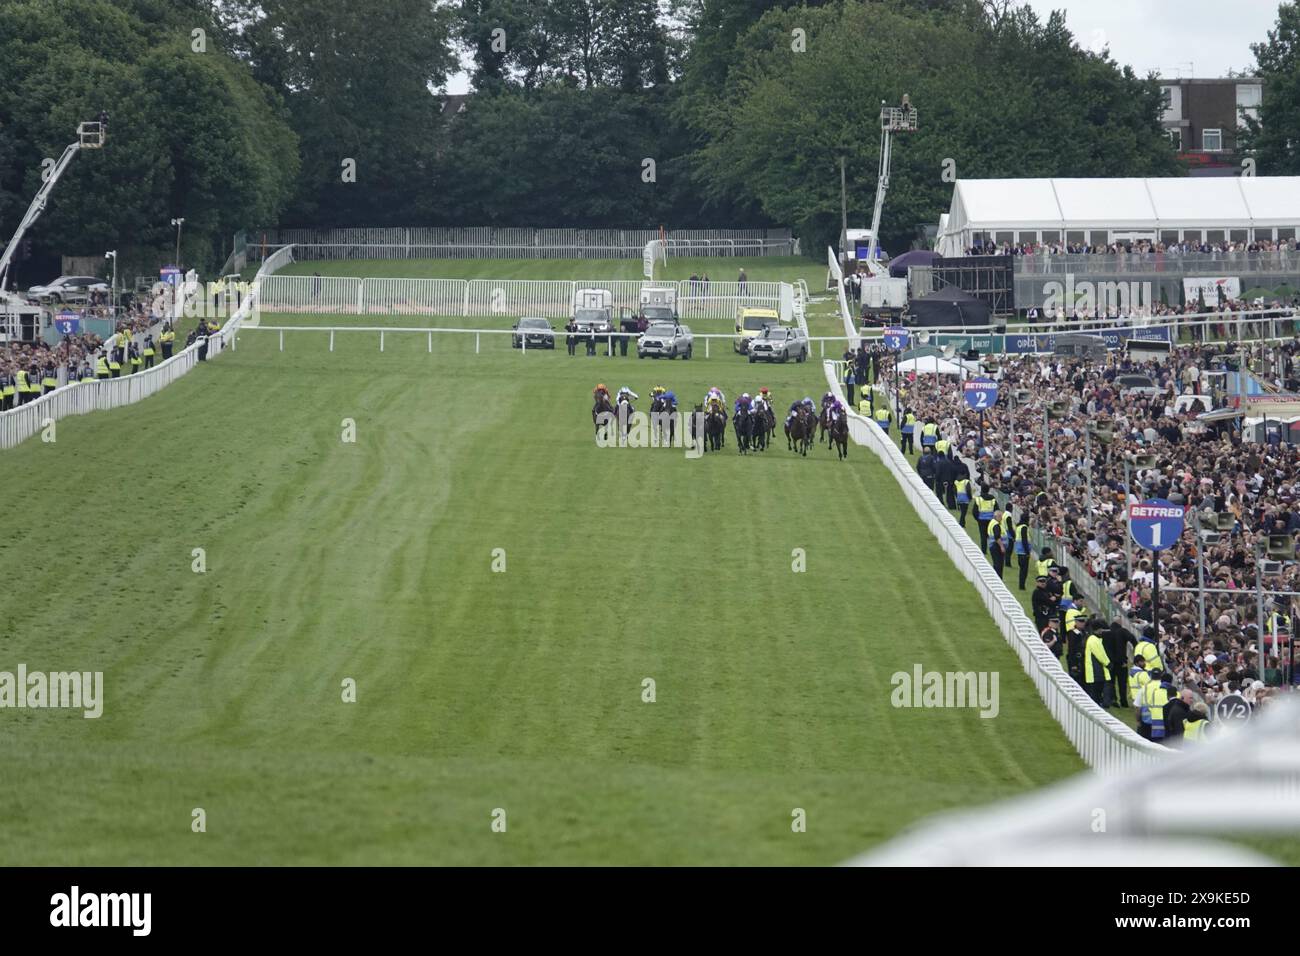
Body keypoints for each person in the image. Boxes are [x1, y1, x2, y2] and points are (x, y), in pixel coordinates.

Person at [1083, 626, 1113, 706]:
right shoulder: (1094, 640)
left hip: (1096, 671)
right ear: (1098, 629)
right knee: (1096, 693)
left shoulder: (1094, 639)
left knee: (1097, 693)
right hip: (1096, 671)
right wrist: (1108, 663)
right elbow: (1100, 654)